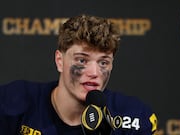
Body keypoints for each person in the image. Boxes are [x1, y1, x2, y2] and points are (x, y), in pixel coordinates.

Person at [0, 14, 158, 135]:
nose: (94, 73)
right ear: (59, 61)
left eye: (103, 62)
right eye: (82, 60)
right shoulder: (11, 102)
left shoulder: (132, 116)